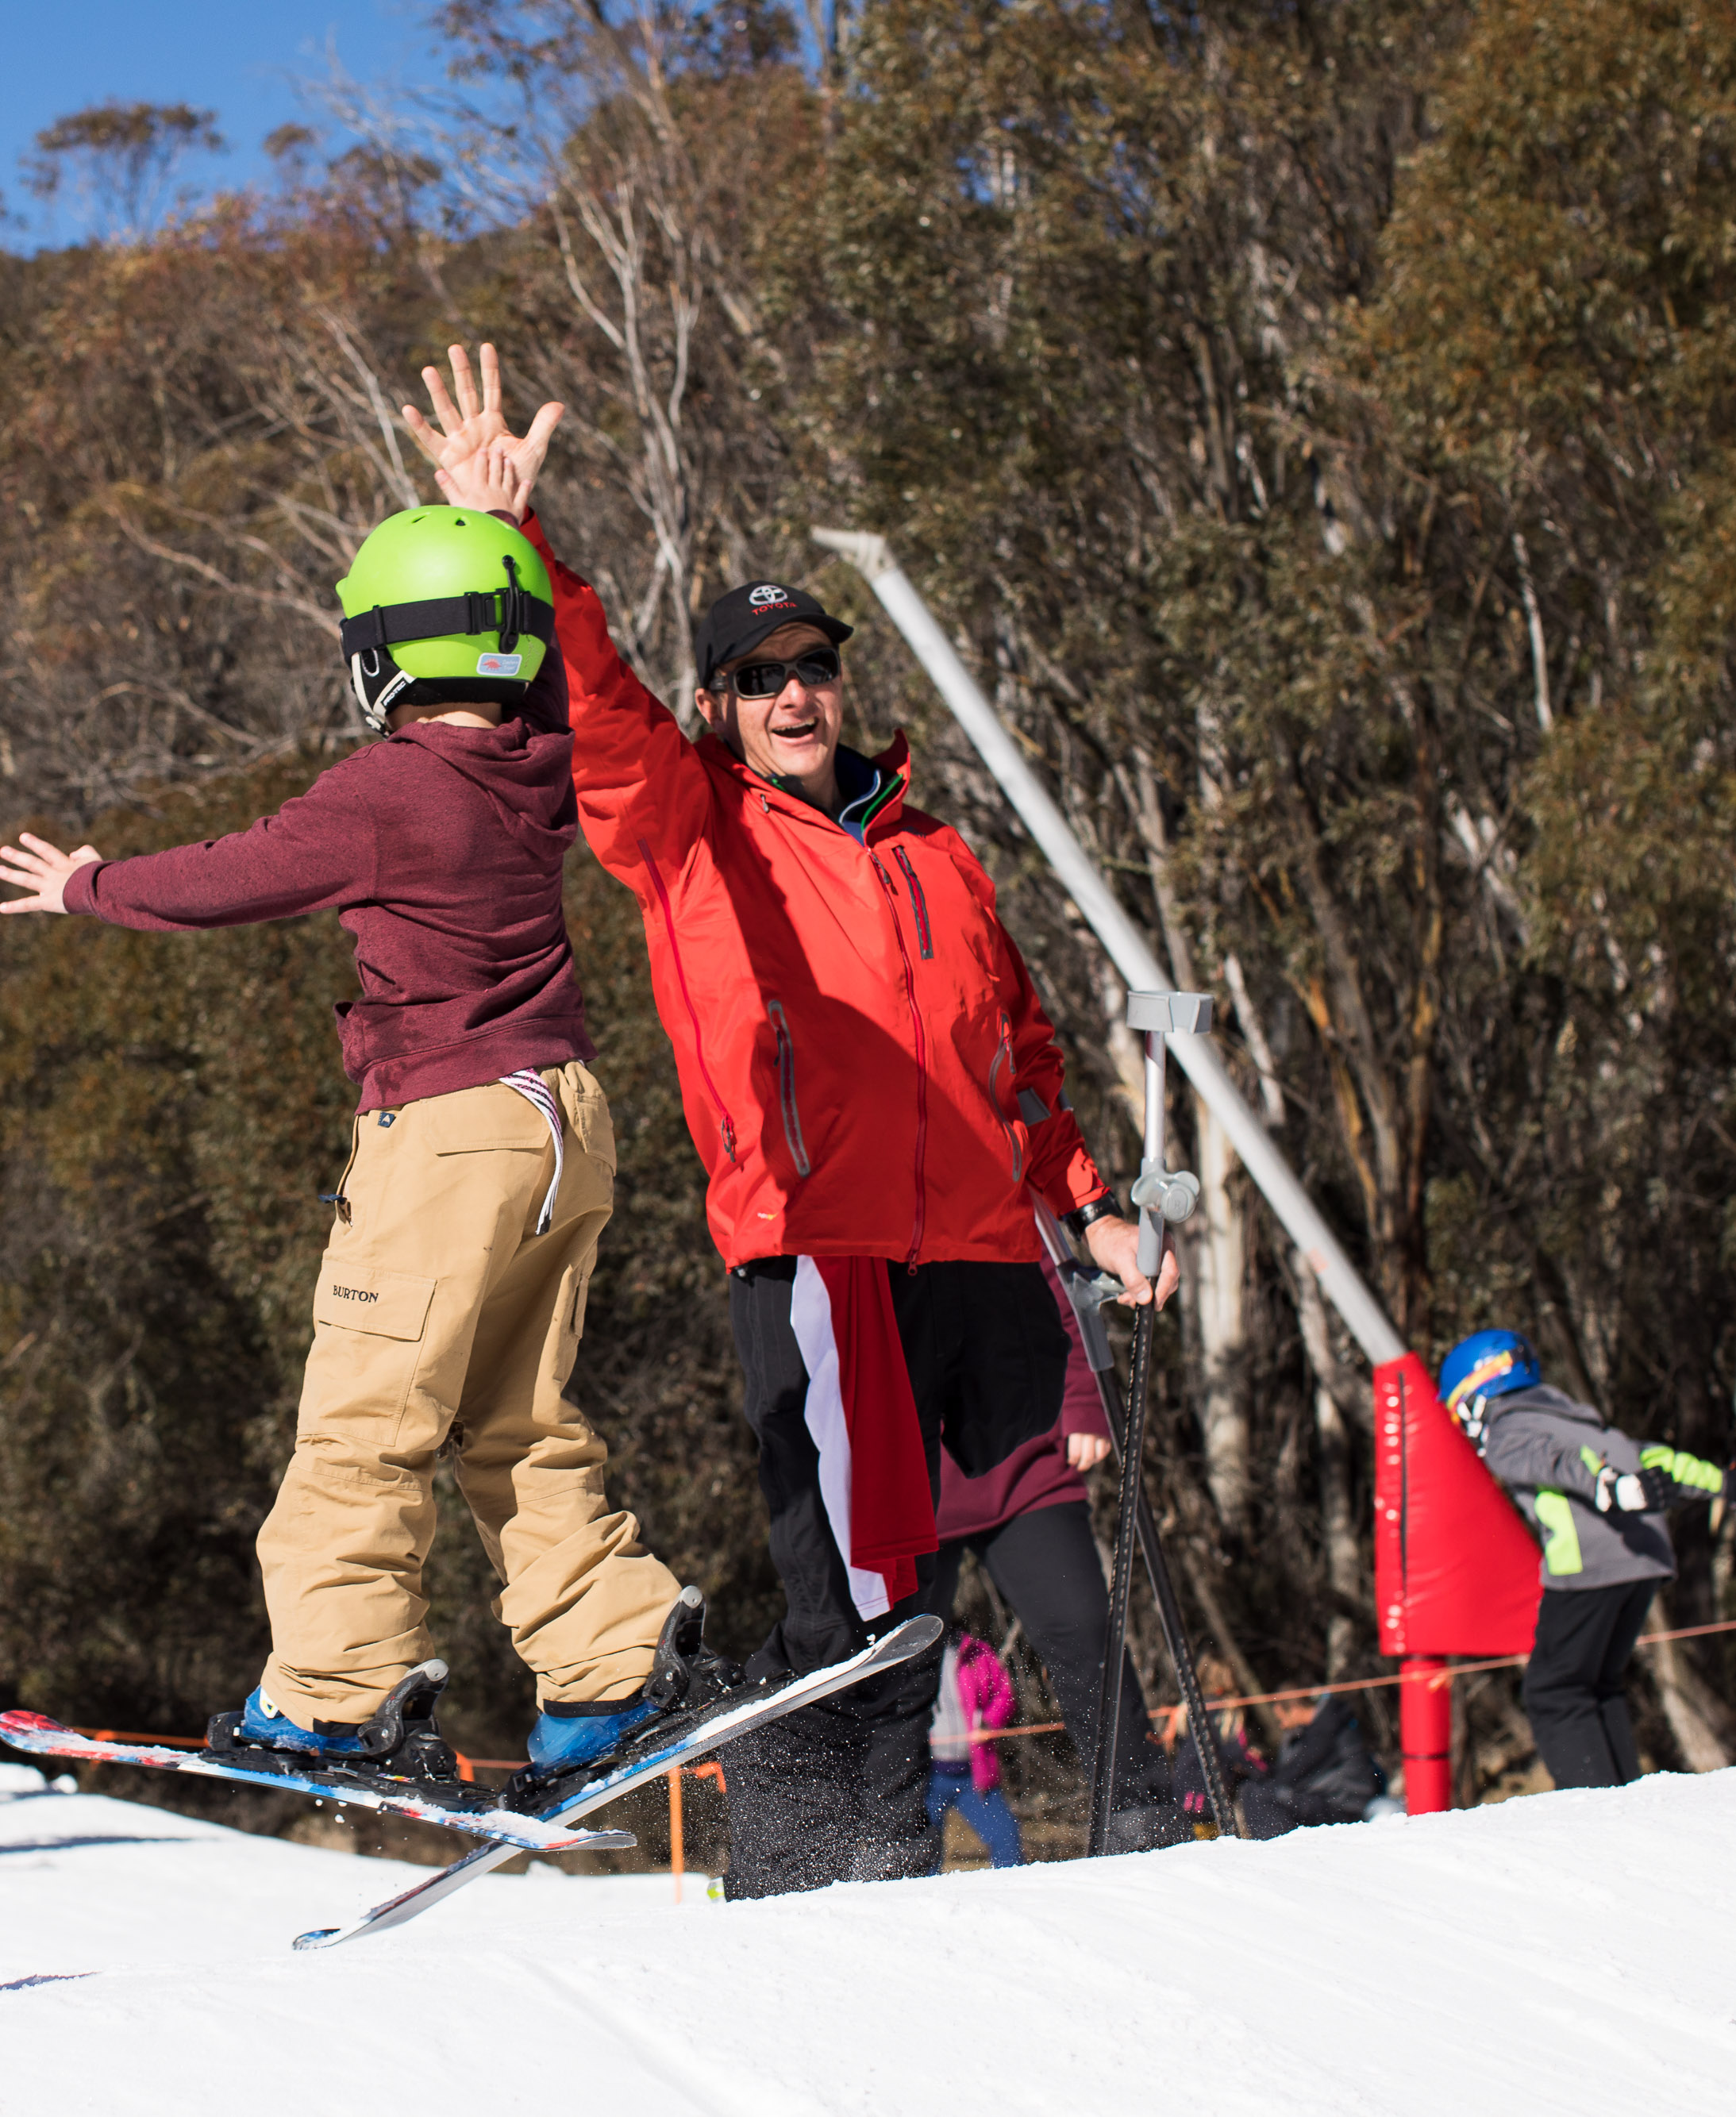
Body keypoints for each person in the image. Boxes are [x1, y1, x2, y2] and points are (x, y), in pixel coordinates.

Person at [394, 345, 1176, 1895]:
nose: (793, 692)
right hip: (818, 1272)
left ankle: (1153, 1838)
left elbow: (1014, 1052)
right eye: (758, 677)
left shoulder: (937, 850)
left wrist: (1085, 1201)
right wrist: (518, 545)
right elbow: (598, 709)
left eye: (810, 665)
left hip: (982, 1268)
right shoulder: (686, 827)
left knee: (1069, 1593)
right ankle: (847, 1863)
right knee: (865, 1617)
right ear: (720, 707)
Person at [0, 432, 692, 1776]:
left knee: (367, 1419)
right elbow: (555, 684)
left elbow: (228, 874)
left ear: (377, 654)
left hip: (445, 1133)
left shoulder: (385, 788)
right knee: (523, 1418)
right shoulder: (535, 768)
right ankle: (608, 1666)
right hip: (569, 1124)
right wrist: (506, 530)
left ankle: (329, 1694)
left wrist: (90, 884)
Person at [1443, 1330, 1736, 1790]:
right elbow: (1652, 1459)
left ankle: (1596, 1811)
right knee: (1595, 1685)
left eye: (1459, 1413)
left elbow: (1558, 1461)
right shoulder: (1577, 1419)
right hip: (1642, 1563)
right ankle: (1623, 1796)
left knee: (1553, 1692)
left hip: (1590, 1566)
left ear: (1477, 1394)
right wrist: (1730, 1485)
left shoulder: (1511, 1428)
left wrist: (1614, 1488)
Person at [925, 1248, 1180, 1840]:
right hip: (913, 1478)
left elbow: (1062, 1294)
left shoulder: (989, 1180)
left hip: (1026, 1459)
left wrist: (1085, 1403)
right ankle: (884, 1838)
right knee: (897, 1666)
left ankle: (1135, 1812)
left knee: (1085, 1628)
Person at [1166, 1657, 1385, 1839]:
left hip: (1344, 1805)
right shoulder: (1320, 1727)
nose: (1280, 1725)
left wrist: (1265, 1775)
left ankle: (1277, 1849)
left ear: (1292, 1708)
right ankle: (1275, 1845)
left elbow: (1299, 1770)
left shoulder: (1326, 1729)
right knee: (1256, 1794)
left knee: (1260, 1795)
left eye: (1280, 1718)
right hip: (1204, 1797)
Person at [925, 1630, 1022, 1869]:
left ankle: (1015, 1898)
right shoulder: (911, 1656)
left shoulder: (977, 1652)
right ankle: (919, 1902)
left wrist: (988, 1722)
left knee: (1007, 1840)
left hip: (975, 1773)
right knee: (922, 1851)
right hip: (928, 1776)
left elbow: (1004, 1695)